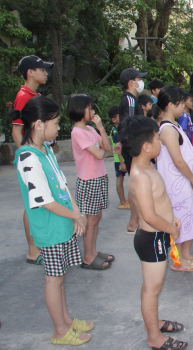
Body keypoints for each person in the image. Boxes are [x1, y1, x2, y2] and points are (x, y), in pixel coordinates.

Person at [12, 96, 91, 345]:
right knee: (53, 279)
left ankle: (66, 320)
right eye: (55, 123)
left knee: (61, 277)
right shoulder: (27, 158)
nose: (58, 128)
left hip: (62, 223)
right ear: (38, 125)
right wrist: (75, 215)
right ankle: (59, 331)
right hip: (50, 227)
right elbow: (43, 200)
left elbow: (62, 184)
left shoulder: (44, 149)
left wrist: (75, 210)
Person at [121, 116, 188, 350]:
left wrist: (172, 218)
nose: (161, 143)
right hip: (153, 239)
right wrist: (171, 229)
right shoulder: (139, 176)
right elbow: (149, 216)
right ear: (146, 146)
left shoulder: (145, 166)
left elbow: (159, 201)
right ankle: (154, 337)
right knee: (153, 289)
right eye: (157, 139)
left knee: (150, 287)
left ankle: (153, 323)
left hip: (157, 236)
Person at [157, 86, 193, 274]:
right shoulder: (167, 129)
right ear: (171, 105)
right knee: (180, 220)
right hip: (178, 184)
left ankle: (186, 254)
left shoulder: (175, 125)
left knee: (190, 218)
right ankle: (178, 259)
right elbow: (178, 160)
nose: (184, 106)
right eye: (181, 103)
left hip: (187, 182)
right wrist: (192, 177)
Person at [11, 55, 53, 266]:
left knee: (38, 200)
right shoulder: (23, 96)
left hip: (37, 154)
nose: (46, 73)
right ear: (30, 72)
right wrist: (27, 155)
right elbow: (17, 130)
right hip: (31, 157)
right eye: (42, 69)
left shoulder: (32, 94)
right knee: (33, 203)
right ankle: (32, 250)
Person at [68, 95, 113, 270]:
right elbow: (100, 154)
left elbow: (107, 148)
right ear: (80, 109)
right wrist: (102, 147)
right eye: (89, 107)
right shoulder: (77, 132)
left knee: (97, 217)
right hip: (89, 180)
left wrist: (100, 127)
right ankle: (88, 257)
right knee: (91, 219)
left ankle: (93, 252)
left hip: (99, 176)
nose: (93, 111)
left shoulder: (89, 129)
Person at [118, 67, 147, 235]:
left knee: (136, 183)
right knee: (136, 185)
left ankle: (136, 220)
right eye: (138, 79)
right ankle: (134, 221)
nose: (141, 82)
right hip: (133, 148)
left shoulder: (132, 100)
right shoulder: (129, 100)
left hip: (134, 147)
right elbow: (129, 125)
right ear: (131, 82)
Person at [109, 106, 129, 209]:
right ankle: (122, 201)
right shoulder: (115, 132)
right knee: (120, 179)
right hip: (120, 160)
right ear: (114, 119)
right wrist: (122, 162)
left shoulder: (121, 129)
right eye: (119, 116)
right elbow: (118, 148)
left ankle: (124, 200)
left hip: (124, 159)